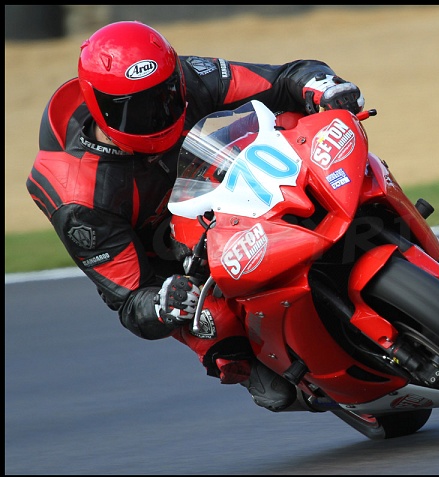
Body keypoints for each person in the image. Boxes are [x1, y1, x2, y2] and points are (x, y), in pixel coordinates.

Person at [25, 21, 365, 412]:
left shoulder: (186, 76)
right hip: (170, 254)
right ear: (99, 107)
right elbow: (128, 298)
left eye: (166, 96)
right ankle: (265, 358)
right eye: (137, 110)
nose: (158, 114)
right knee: (242, 355)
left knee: (328, 153)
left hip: (230, 182)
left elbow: (283, 78)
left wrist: (324, 87)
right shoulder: (75, 196)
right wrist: (161, 304)